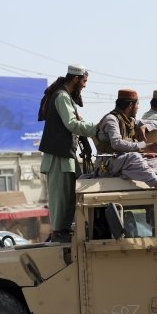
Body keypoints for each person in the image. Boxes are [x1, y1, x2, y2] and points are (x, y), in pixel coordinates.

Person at [38, 64, 97, 243]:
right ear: (75, 79)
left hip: (66, 155)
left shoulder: (67, 97)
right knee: (59, 197)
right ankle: (58, 232)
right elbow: (72, 124)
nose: (85, 85)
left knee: (70, 195)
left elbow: (77, 123)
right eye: (84, 81)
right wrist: (98, 129)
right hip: (57, 156)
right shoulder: (62, 96)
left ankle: (63, 230)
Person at [95, 89, 157, 203]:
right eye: (138, 104)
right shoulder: (111, 119)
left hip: (124, 163)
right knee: (135, 157)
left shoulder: (130, 120)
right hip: (108, 163)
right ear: (131, 105)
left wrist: (144, 127)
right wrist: (143, 146)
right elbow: (117, 143)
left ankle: (134, 172)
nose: (138, 107)